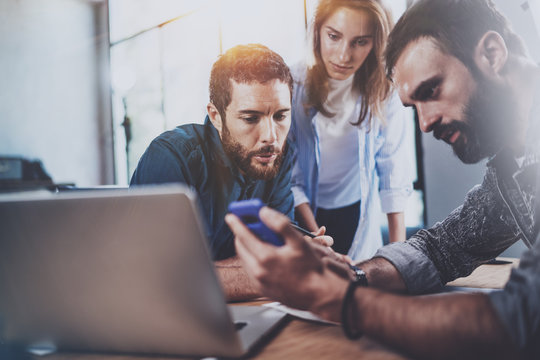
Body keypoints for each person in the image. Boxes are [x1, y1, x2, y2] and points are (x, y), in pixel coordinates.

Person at [226, 0, 540, 358]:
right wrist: (353, 276)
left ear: (492, 53)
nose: (424, 125)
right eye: (413, 106)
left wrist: (341, 301)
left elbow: (522, 317)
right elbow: (443, 247)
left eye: (431, 90)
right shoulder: (512, 169)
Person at [130, 44, 297, 301]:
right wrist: (278, 273)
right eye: (251, 118)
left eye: (280, 116)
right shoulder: (171, 157)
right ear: (216, 116)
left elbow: (278, 251)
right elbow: (160, 280)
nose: (271, 137)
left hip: (246, 312)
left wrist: (297, 257)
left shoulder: (278, 156)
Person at [290, 0, 413, 259]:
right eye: (334, 36)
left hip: (357, 215)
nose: (344, 56)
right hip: (304, 217)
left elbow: (393, 174)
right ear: (318, 32)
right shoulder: (291, 85)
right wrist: (318, 241)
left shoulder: (385, 91)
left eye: (360, 42)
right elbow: (291, 179)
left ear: (375, 43)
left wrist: (398, 257)